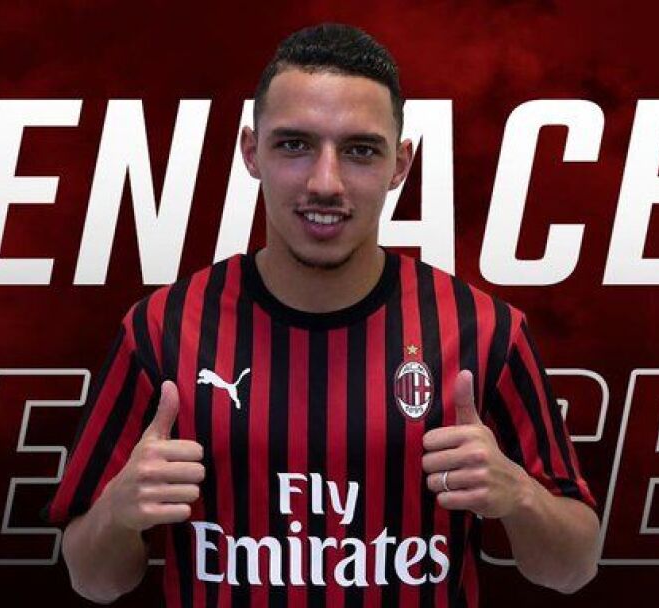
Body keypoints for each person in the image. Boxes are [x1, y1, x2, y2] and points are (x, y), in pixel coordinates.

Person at [44, 23, 599, 607]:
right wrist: (119, 511)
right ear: (251, 153)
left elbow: (574, 568)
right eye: (294, 145)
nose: (325, 182)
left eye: (360, 150)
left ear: (400, 164)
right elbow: (91, 578)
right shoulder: (162, 327)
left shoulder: (482, 330)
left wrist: (520, 497)